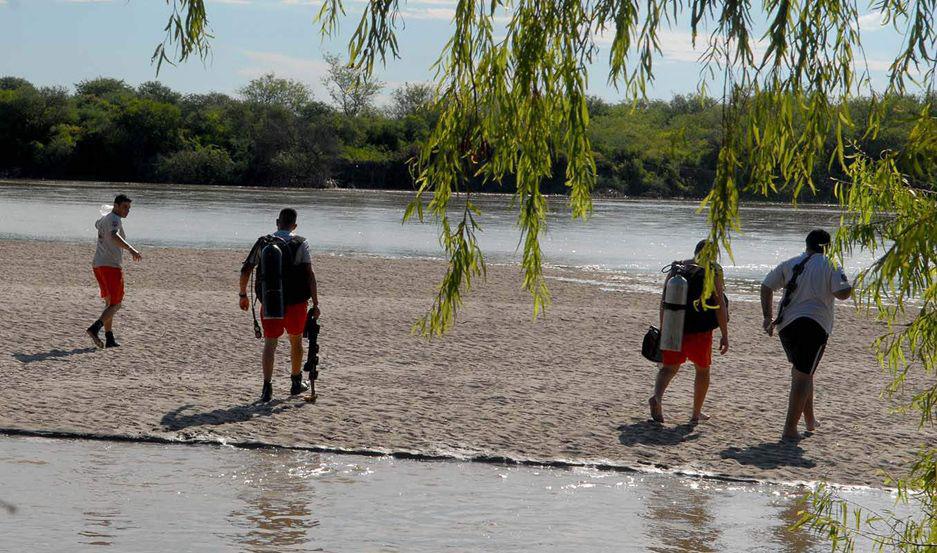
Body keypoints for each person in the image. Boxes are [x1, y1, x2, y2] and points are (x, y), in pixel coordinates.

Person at [761, 229, 852, 440]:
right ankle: (790, 429)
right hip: (815, 325)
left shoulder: (791, 262)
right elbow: (842, 294)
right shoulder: (831, 264)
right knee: (803, 375)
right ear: (828, 247)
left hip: (787, 326)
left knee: (802, 371)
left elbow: (766, 287)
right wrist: (850, 287)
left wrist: (767, 317)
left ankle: (810, 420)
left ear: (807, 244)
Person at [239, 208, 320, 403]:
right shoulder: (301, 243)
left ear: (277, 222)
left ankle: (267, 387)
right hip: (295, 303)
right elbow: (309, 274)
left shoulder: (264, 243)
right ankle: (295, 382)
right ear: (295, 225)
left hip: (270, 301)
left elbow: (246, 269)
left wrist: (243, 295)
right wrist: (316, 303)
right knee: (296, 342)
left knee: (270, 344)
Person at [649, 240, 730, 424]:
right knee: (702, 371)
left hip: (673, 325)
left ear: (695, 252)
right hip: (699, 331)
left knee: (669, 368)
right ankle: (695, 414)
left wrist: (664, 328)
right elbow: (719, 304)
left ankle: (658, 398)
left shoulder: (677, 267)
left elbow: (664, 301)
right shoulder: (713, 270)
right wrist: (725, 334)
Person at [87, 194, 143, 349]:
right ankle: (95, 328)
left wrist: (106, 215)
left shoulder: (105, 218)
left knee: (109, 302)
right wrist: (131, 249)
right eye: (125, 207)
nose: (127, 211)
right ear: (116, 206)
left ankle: (109, 337)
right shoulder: (114, 219)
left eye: (129, 208)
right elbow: (113, 235)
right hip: (110, 266)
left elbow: (96, 224)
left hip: (98, 264)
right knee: (116, 304)